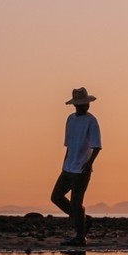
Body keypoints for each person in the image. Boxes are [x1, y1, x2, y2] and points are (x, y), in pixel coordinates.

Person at [52, 87, 102, 246]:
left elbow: (97, 146)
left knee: (76, 202)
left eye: (85, 103)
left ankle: (80, 237)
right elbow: (68, 144)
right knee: (56, 197)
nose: (85, 106)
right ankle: (83, 221)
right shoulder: (71, 119)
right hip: (68, 166)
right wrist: (64, 162)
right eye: (82, 104)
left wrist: (88, 164)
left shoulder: (91, 121)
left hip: (81, 168)